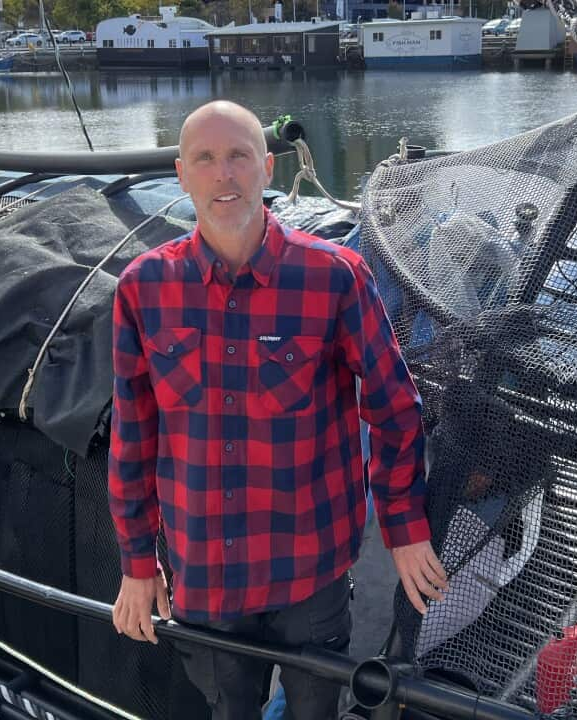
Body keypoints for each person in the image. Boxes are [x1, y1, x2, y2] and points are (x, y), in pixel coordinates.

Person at [107, 100, 448, 720]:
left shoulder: (335, 276)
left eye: (238, 156)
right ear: (182, 175)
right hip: (204, 574)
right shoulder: (142, 288)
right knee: (228, 709)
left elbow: (395, 407)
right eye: (205, 159)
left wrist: (404, 528)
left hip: (309, 573)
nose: (223, 175)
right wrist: (137, 563)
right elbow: (133, 436)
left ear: (266, 167)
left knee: (313, 709)